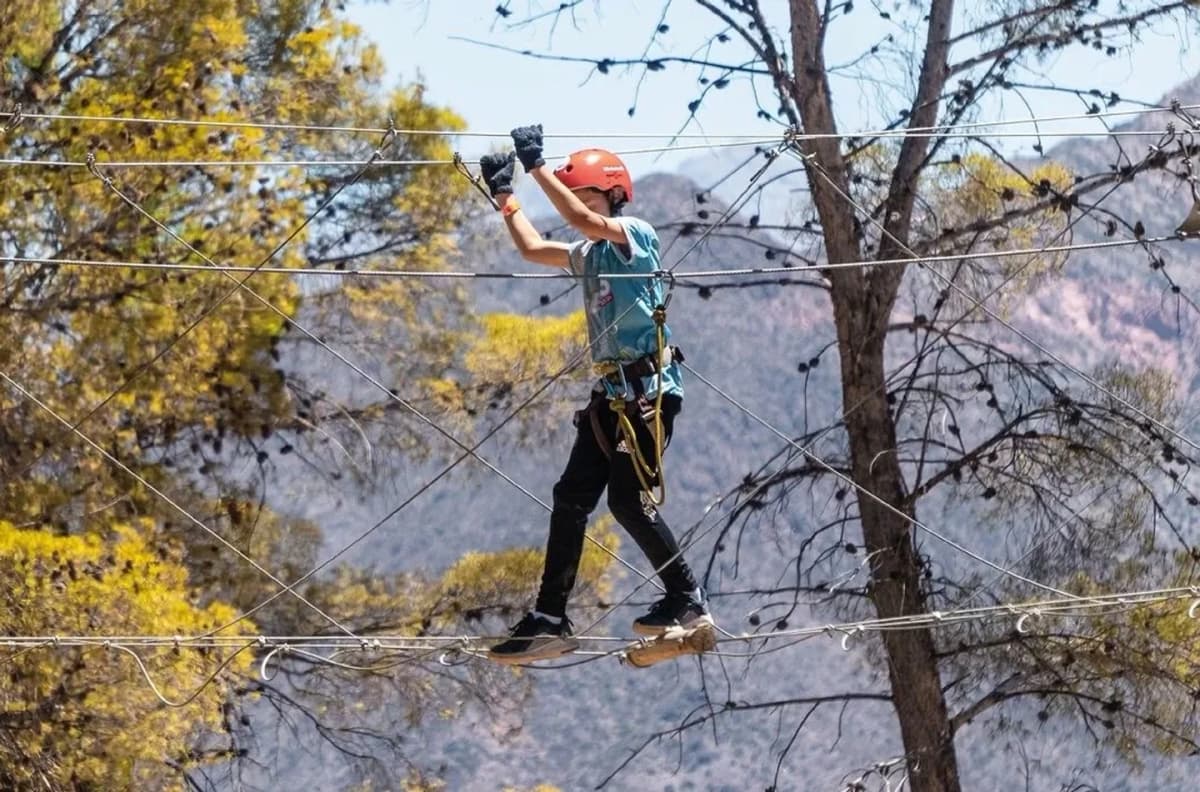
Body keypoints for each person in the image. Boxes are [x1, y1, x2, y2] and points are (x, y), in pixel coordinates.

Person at [478, 124, 712, 664]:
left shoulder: (634, 237)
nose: (575, 207)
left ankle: (687, 598)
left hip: (649, 392)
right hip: (612, 398)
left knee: (628, 502)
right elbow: (536, 247)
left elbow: (582, 221)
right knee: (571, 497)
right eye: (573, 195)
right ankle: (550, 617)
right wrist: (505, 197)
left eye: (582, 195)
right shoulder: (590, 254)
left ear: (611, 195)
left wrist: (537, 167)